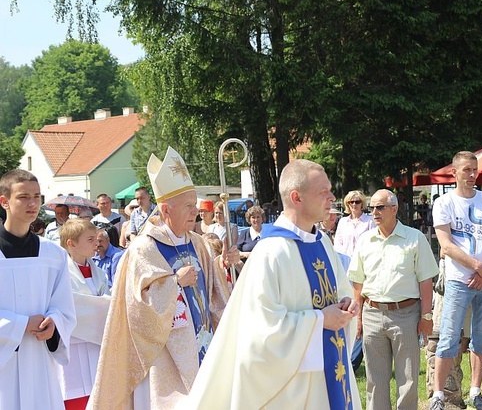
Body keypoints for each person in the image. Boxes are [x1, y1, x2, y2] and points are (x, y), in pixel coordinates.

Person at [188, 159, 362, 409]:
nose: (332, 197)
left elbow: (338, 294)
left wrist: (346, 307)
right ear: (296, 197)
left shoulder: (322, 242)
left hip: (329, 375)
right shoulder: (271, 253)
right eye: (323, 192)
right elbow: (261, 333)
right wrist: (321, 320)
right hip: (292, 391)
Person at [88, 147, 234, 408]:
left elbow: (211, 289)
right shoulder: (144, 249)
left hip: (202, 341)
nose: (195, 212)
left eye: (196, 206)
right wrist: (174, 282)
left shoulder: (198, 243)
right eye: (188, 206)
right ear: (166, 210)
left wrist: (223, 264)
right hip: (163, 354)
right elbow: (135, 308)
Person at [430, 151, 482, 410]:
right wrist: (478, 267)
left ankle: (476, 392)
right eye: (466, 170)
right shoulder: (444, 203)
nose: (472, 175)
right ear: (455, 172)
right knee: (449, 337)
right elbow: (446, 245)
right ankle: (438, 396)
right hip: (458, 280)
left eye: (474, 169)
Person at [349, 189, 439, 410]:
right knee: (375, 379)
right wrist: (358, 317)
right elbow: (358, 284)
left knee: (407, 377)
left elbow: (425, 281)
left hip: (406, 314)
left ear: (394, 209)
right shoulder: (365, 241)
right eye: (372, 208)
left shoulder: (414, 238)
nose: (374, 212)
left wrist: (426, 316)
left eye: (380, 207)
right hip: (371, 313)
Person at [0, 169, 76, 409]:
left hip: (40, 360)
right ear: (4, 201)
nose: (32, 203)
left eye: (37, 196)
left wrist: (54, 323)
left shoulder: (53, 254)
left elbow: (64, 307)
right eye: (23, 197)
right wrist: (20, 324)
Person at [58, 219, 111, 410]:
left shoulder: (99, 272)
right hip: (73, 347)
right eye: (90, 239)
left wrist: (104, 304)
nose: (96, 243)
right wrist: (104, 305)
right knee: (75, 398)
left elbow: (109, 302)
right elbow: (70, 306)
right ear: (71, 244)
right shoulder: (60, 272)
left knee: (100, 396)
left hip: (98, 345)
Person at [334, 190, 374, 259]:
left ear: (362, 204)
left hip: (363, 260)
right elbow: (337, 244)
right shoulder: (343, 222)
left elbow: (373, 243)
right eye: (351, 202)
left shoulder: (370, 221)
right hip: (346, 262)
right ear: (347, 204)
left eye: (357, 202)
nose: (354, 204)